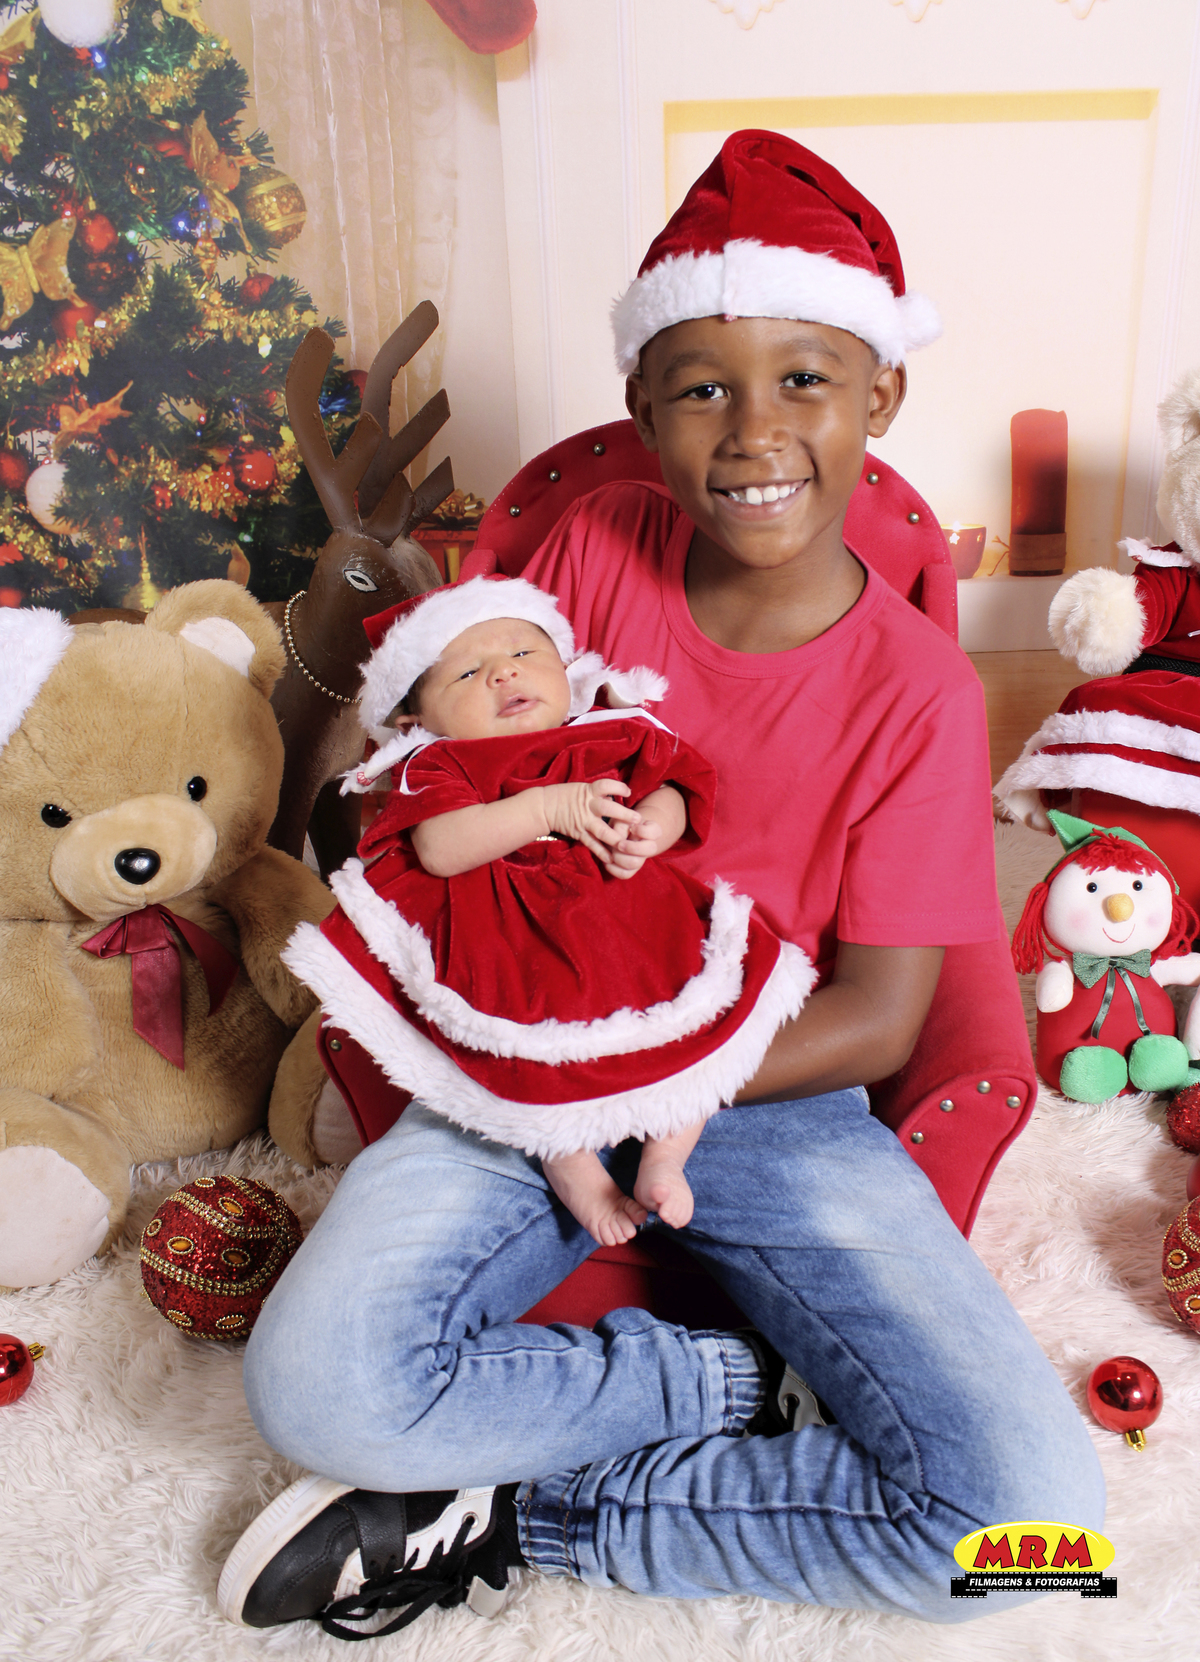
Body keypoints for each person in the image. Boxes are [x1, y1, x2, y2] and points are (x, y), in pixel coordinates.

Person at [219, 130, 1104, 1640]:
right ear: (641, 409)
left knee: (1037, 1537)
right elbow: (427, 776)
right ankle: (724, 1385)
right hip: (522, 1062)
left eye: (806, 378)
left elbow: (885, 1017)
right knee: (314, 1387)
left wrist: (661, 1075)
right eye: (703, 388)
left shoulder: (920, 690)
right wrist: (535, 1061)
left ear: (882, 395)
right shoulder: (591, 551)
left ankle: (528, 1507)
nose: (756, 432)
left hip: (770, 1092)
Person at [281, 576, 813, 1244]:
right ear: (417, 720)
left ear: (567, 669)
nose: (504, 672)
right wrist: (548, 808)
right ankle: (573, 1165)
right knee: (527, 1057)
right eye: (467, 673)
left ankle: (666, 1158)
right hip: (515, 936)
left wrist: (654, 826)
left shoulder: (606, 729)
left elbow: (674, 785)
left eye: (524, 653)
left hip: (632, 919)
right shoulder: (442, 762)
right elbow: (439, 848)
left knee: (703, 1035)